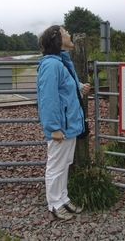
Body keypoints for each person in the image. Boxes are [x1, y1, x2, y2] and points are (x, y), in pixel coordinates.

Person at [37, 25, 90, 220]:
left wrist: (80, 86)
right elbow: (48, 98)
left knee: (65, 163)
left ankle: (62, 198)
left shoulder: (61, 62)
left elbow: (65, 86)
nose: (68, 34)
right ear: (58, 39)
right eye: (65, 32)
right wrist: (54, 128)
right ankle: (53, 204)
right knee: (56, 165)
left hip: (69, 124)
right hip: (61, 127)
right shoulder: (51, 65)